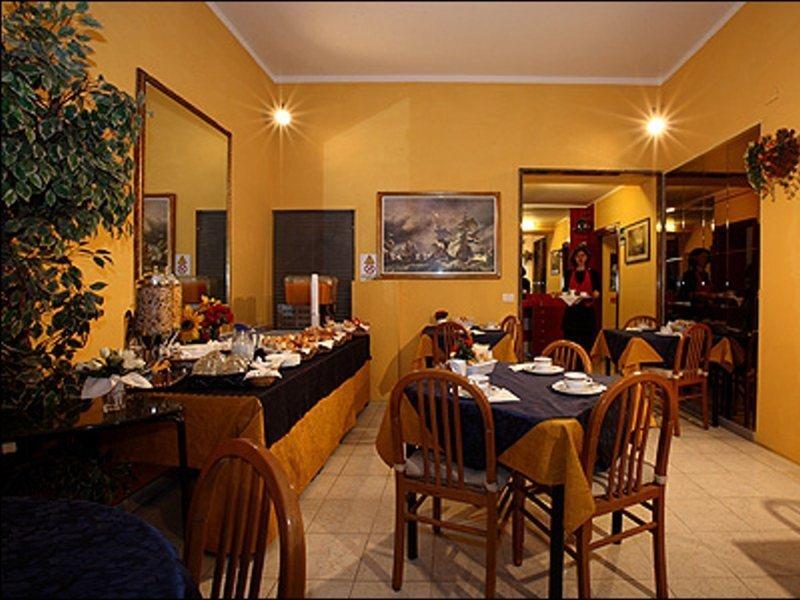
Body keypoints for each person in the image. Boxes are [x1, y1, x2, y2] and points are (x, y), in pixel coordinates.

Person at [561, 244, 601, 351]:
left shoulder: (593, 273)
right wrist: (566, 295)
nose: (580, 258)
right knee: (571, 343)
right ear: (574, 258)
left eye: (583, 255)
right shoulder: (568, 273)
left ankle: (585, 360)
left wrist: (593, 294)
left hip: (587, 314)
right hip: (572, 313)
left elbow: (597, 292)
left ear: (587, 257)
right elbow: (565, 290)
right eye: (577, 256)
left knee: (587, 343)